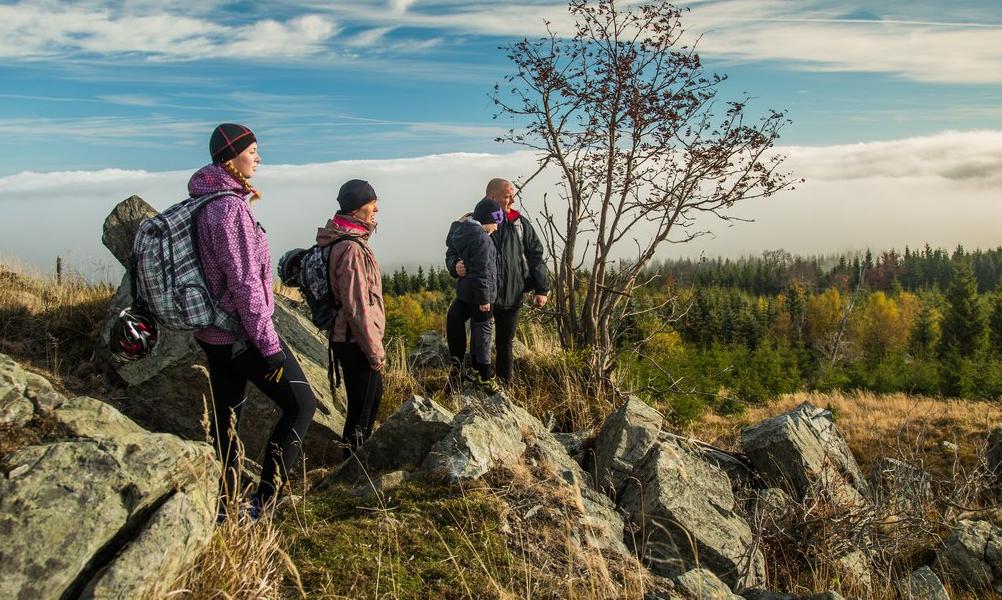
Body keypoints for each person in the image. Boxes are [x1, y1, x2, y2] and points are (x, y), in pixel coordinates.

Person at [190, 123, 317, 520]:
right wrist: (270, 347)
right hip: (242, 336)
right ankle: (263, 502)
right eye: (253, 151)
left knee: (229, 418)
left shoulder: (207, 201)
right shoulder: (229, 208)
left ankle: (224, 508)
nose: (258, 157)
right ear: (231, 158)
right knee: (301, 405)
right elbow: (245, 283)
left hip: (216, 335)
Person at [449, 178, 549, 383]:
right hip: (480, 292)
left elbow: (535, 254)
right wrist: (454, 265)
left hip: (511, 293)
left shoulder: (519, 222)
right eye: (507, 196)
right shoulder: (472, 222)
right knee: (463, 323)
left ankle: (504, 389)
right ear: (492, 197)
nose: (512, 200)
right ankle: (469, 376)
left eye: (513, 195)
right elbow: (453, 250)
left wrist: (542, 288)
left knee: (505, 343)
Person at [318, 179, 385, 452]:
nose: (377, 209)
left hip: (344, 336)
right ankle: (353, 464)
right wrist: (373, 350)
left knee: (364, 400)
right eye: (372, 204)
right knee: (363, 406)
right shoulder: (351, 248)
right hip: (354, 338)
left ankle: (353, 461)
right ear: (358, 209)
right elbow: (356, 304)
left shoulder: (341, 239)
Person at [445, 198, 504, 392]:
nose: (496, 228)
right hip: (481, 295)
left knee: (460, 319)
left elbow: (451, 244)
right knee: (484, 330)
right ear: (487, 219)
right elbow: (483, 271)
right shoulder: (482, 239)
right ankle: (484, 375)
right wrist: (485, 299)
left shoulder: (463, 231)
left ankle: (460, 366)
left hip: (466, 291)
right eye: (495, 223)